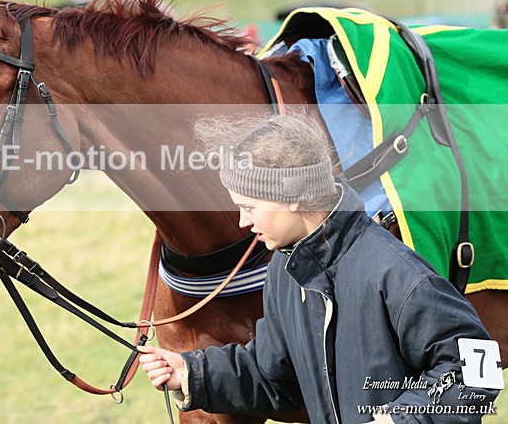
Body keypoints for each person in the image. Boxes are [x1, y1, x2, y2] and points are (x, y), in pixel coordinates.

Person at [138, 115, 500, 422]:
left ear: (293, 196)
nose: (242, 222)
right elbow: (276, 377)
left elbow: (476, 372)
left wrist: (400, 418)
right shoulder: (284, 269)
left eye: (249, 206)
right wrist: (192, 373)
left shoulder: (396, 272)